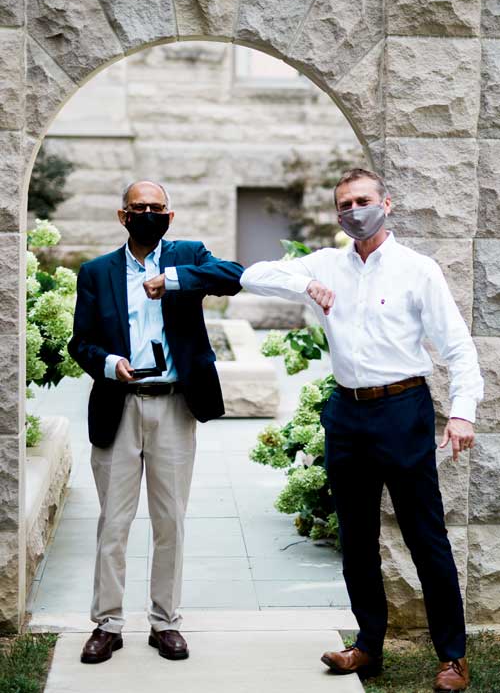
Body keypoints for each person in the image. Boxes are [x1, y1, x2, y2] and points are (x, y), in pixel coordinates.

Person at [240, 168, 483, 692]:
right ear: (337, 214)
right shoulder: (326, 264)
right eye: (345, 204)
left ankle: (453, 657)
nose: (355, 210)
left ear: (387, 204)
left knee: (426, 537)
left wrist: (462, 412)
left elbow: (459, 348)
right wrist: (305, 283)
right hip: (346, 415)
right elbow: (252, 275)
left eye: (363, 200)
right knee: (356, 538)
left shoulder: (418, 270)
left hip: (403, 409)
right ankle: (368, 647)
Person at [68, 180, 243, 665]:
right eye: (138, 207)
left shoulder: (188, 253)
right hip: (118, 404)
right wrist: (108, 363)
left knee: (170, 520)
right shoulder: (97, 271)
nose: (148, 213)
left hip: (172, 405)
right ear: (122, 216)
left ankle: (165, 623)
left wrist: (174, 280)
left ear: (170, 214)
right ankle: (107, 624)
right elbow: (79, 342)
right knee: (114, 523)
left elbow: (232, 275)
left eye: (156, 207)